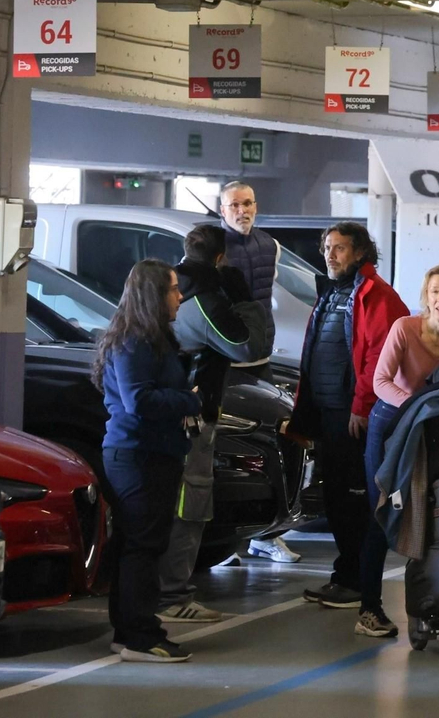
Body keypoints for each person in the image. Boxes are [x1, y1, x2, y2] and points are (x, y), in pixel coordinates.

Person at [283, 221, 409, 633]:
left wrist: (362, 406)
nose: (331, 255)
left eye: (339, 248)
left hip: (354, 417)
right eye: (327, 248)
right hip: (326, 411)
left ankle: (356, 579)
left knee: (354, 499)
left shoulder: (376, 295)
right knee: (336, 497)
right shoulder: (333, 293)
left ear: (359, 253)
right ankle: (344, 574)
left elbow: (379, 356)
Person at [357, 264, 439, 636]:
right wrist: (414, 405)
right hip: (391, 424)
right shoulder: (404, 328)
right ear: (425, 296)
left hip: (433, 428)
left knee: (435, 514)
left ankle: (436, 605)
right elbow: (380, 381)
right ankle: (369, 608)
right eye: (434, 291)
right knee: (381, 513)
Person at [156, 225, 273, 623]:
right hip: (192, 416)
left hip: (169, 416)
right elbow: (249, 346)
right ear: (221, 258)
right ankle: (172, 595)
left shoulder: (165, 290)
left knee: (168, 504)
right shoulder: (204, 299)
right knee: (190, 505)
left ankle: (162, 591)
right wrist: (246, 302)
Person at [94, 259, 202, 663]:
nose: (180, 296)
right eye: (173, 289)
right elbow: (138, 400)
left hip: (151, 453)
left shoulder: (149, 338)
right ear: (153, 295)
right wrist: (190, 399)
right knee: (143, 545)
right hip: (139, 455)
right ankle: (140, 636)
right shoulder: (134, 341)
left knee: (138, 544)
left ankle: (129, 631)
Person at [217, 180, 294, 563]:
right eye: (234, 205)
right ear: (222, 210)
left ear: (256, 206)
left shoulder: (271, 246)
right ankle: (227, 538)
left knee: (269, 444)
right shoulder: (213, 248)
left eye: (247, 203)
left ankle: (266, 535)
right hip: (224, 359)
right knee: (229, 449)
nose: (241, 210)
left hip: (260, 357)